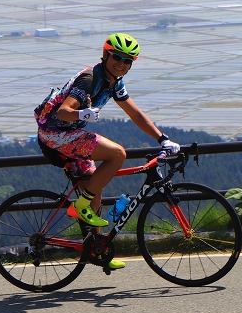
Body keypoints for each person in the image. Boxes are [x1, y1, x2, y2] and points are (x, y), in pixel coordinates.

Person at [34, 33, 180, 270]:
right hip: (56, 134)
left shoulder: (115, 82)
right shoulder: (90, 78)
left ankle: (97, 249)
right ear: (105, 55)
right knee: (117, 154)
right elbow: (63, 112)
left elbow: (135, 114)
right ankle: (80, 206)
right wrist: (82, 114)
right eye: (117, 57)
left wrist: (162, 138)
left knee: (94, 190)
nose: (121, 63)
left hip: (67, 135)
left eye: (127, 60)